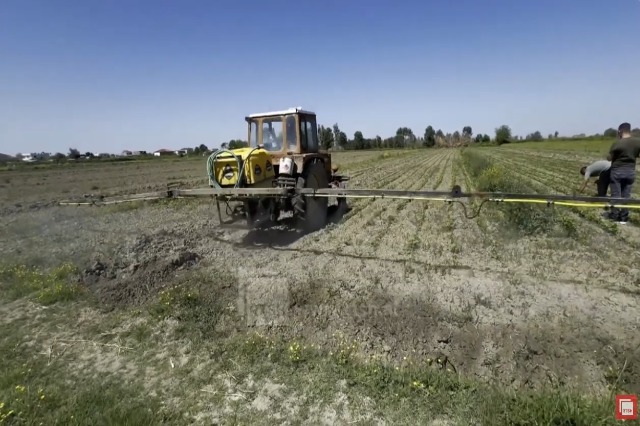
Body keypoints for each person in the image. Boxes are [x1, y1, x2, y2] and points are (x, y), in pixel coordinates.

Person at [606, 122, 640, 223]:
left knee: (616, 195)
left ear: (620, 131)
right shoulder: (638, 142)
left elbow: (609, 158)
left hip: (617, 171)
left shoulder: (618, 143)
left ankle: (614, 216)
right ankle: (624, 218)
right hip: (630, 171)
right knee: (626, 195)